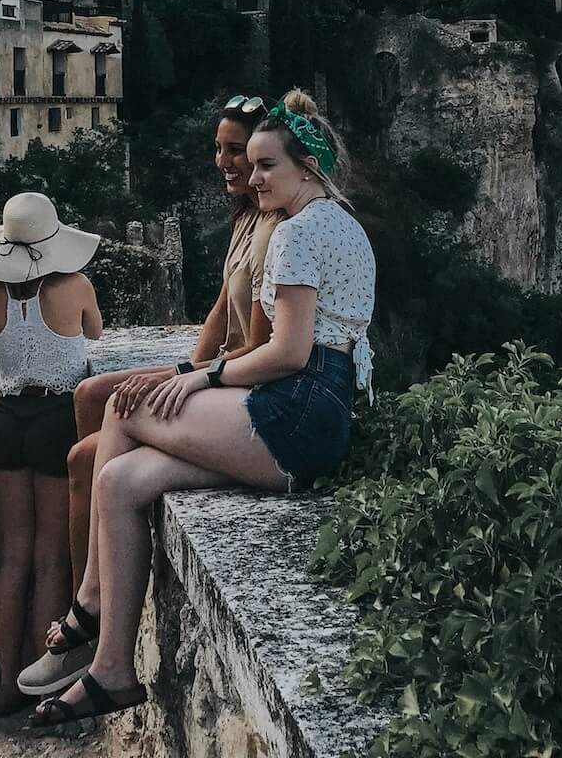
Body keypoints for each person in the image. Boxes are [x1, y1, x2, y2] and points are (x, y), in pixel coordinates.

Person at [31, 90, 375, 730]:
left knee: (127, 406)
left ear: (308, 167)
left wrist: (202, 376)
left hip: (295, 413)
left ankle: (93, 598)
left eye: (268, 164)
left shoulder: (299, 232)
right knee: (121, 480)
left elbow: (289, 353)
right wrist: (202, 375)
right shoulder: (338, 221)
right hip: (316, 418)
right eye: (254, 162)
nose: (255, 175)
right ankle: (111, 670)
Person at [16, 95, 280, 699]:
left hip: (237, 376)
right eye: (220, 149)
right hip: (212, 364)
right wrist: (184, 363)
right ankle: (93, 602)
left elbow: (263, 348)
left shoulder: (276, 228)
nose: (225, 161)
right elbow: (219, 310)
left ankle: (90, 616)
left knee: (87, 459)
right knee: (91, 392)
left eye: (237, 151)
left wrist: (191, 376)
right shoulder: (246, 218)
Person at [0, 192, 104, 716]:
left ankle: (6, 682)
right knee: (51, 555)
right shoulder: (74, 286)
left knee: (13, 557)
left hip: (6, 419)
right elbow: (93, 333)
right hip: (55, 419)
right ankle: (41, 680)